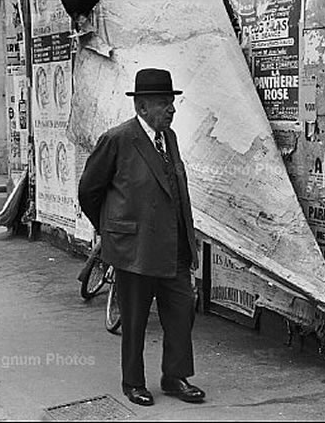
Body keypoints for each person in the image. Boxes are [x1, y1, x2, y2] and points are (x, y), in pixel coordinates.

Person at [78, 68, 204, 407]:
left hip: (174, 246)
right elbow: (89, 190)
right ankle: (133, 382)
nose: (172, 109)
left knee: (181, 311)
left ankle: (174, 377)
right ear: (143, 107)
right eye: (164, 103)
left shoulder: (170, 139)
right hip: (134, 248)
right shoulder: (118, 140)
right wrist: (112, 231)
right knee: (133, 320)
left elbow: (176, 190)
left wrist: (189, 243)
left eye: (172, 102)